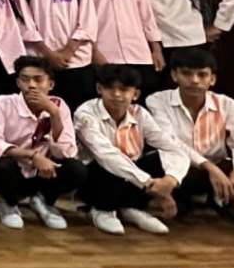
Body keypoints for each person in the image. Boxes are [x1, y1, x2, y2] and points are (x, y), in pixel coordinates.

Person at [144, 47, 234, 227]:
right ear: (174, 75)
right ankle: (182, 200)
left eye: (202, 75)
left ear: (212, 79)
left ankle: (221, 200)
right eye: (186, 73)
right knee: (159, 165)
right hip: (177, 166)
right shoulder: (157, 101)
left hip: (214, 166)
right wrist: (210, 168)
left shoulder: (228, 104)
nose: (194, 80)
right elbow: (170, 142)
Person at [73, 65, 190, 235]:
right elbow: (105, 154)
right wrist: (148, 182)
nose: (116, 94)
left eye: (124, 89)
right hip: (97, 178)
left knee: (160, 157)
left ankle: (130, 208)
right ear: (99, 89)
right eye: (110, 88)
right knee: (109, 164)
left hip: (132, 178)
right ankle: (102, 210)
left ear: (135, 94)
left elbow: (173, 148)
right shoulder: (85, 113)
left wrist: (170, 180)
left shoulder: (140, 113)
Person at [0, 55, 86, 230]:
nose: (31, 85)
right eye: (25, 79)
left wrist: (54, 114)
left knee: (76, 169)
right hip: (14, 169)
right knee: (1, 165)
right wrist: (32, 155)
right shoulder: (2, 103)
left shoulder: (59, 105)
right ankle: (8, 202)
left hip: (43, 173)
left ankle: (43, 200)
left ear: (50, 84)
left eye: (38, 80)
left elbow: (66, 152)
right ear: (18, 83)